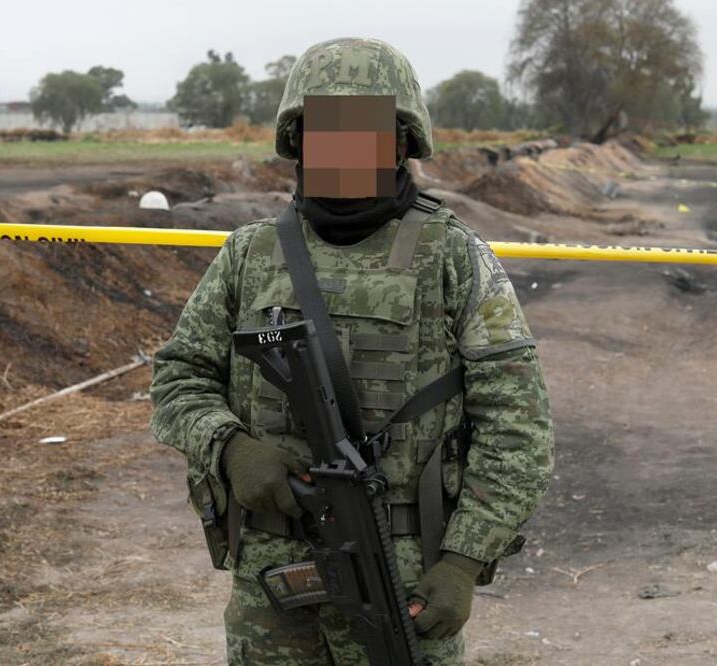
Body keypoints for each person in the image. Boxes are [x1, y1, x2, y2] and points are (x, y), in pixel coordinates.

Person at [150, 37, 554, 665]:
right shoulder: (248, 255)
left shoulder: (453, 256)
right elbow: (180, 377)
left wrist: (464, 560)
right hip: (269, 586)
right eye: (327, 132)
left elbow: (517, 423)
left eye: (364, 133)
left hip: (403, 580)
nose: (343, 149)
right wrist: (230, 447)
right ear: (299, 141)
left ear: (400, 144)